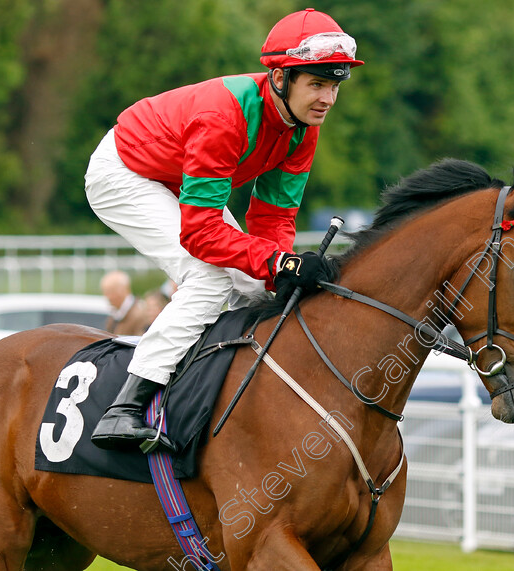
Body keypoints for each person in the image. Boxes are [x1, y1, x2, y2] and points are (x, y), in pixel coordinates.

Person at [85, 9, 358, 451]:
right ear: (280, 78)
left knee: (259, 287)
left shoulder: (302, 127)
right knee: (209, 276)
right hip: (125, 172)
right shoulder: (224, 116)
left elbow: (273, 218)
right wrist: (280, 262)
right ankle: (125, 407)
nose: (327, 98)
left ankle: (224, 392)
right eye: (317, 84)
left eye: (334, 86)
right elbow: (201, 235)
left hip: (176, 178)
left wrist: (278, 272)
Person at [99, 270, 151, 336]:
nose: (107, 297)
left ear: (122, 290)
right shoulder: (114, 316)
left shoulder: (140, 315)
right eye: (105, 292)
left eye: (110, 292)